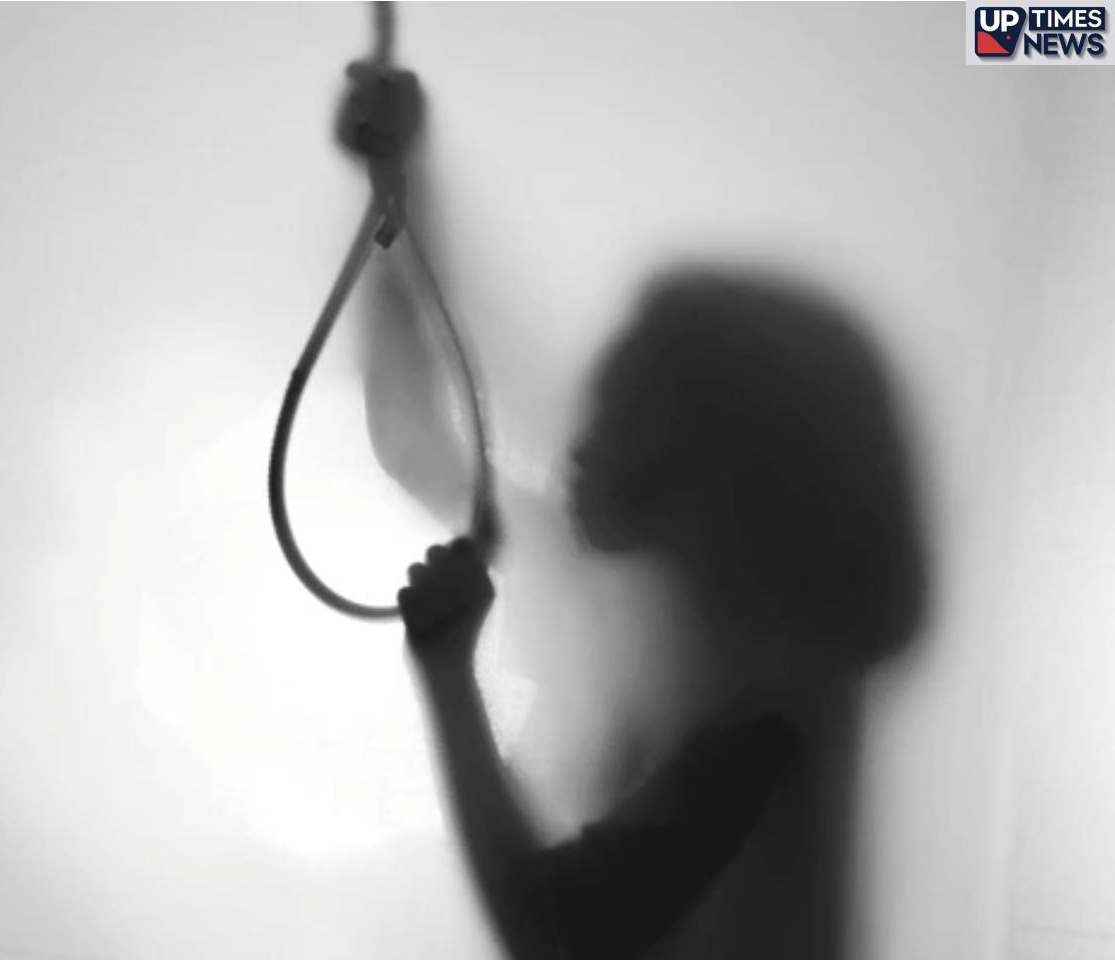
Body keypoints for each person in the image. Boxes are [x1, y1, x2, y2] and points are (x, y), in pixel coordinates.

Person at [376, 266, 927, 959]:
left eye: (618, 405)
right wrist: (396, 266)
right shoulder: (741, 683)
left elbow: (552, 931)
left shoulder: (772, 726)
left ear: (713, 455)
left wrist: (448, 676)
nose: (578, 446)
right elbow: (417, 453)